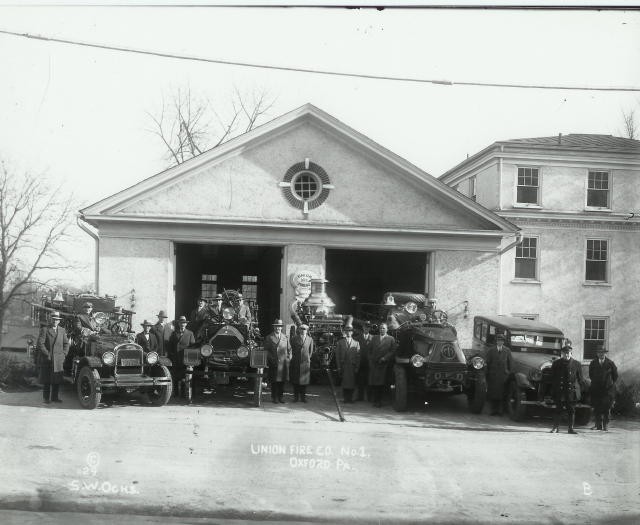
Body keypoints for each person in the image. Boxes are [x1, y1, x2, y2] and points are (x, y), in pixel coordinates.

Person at [550, 342, 585, 434]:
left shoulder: (576, 364)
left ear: (571, 353)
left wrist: (581, 392)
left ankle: (571, 429)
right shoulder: (556, 363)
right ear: (562, 354)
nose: (566, 354)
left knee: (571, 410)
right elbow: (552, 378)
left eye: (568, 353)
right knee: (558, 410)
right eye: (565, 353)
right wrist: (554, 390)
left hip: (571, 391)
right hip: (560, 391)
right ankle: (555, 428)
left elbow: (580, 379)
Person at [36, 311, 69, 404]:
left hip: (59, 359)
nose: (55, 321)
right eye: (54, 319)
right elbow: (40, 344)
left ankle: (55, 398)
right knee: (47, 380)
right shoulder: (45, 329)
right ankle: (46, 399)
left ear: (59, 321)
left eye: (57, 320)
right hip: (48, 359)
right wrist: (47, 354)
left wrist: (64, 354)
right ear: (51, 319)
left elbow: (66, 344)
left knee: (56, 380)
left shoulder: (62, 330)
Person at [589, 343, 618, 431]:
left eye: (603, 352)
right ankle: (598, 425)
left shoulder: (610, 363)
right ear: (597, 353)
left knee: (606, 408)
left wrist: (609, 383)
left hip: (607, 390)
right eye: (599, 352)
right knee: (597, 407)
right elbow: (591, 375)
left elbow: (615, 376)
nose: (601, 354)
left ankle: (605, 425)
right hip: (596, 389)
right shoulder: (593, 363)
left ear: (605, 353)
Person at [368, 322, 396, 407]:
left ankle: (380, 401)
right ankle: (375, 400)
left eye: (384, 328)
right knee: (374, 383)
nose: (382, 329)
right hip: (375, 364)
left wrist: (385, 358)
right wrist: (370, 359)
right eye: (380, 328)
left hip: (384, 364)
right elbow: (369, 350)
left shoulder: (391, 339)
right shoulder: (374, 338)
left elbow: (393, 350)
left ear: (387, 329)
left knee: (382, 383)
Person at [485, 333, 513, 416]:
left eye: (501, 341)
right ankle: (493, 410)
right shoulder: (491, 350)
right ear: (496, 342)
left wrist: (508, 373)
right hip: (493, 375)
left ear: (503, 342)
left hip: (503, 375)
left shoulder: (507, 350)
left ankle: (500, 411)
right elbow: (487, 362)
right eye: (498, 340)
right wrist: (488, 373)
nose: (500, 342)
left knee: (502, 393)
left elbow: (510, 363)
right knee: (493, 392)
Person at [264, 319, 291, 403]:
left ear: (281, 328)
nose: (278, 328)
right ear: (274, 327)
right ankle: (274, 398)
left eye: (279, 327)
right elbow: (266, 350)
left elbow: (289, 349)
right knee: (274, 382)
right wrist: (271, 359)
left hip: (283, 363)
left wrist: (288, 358)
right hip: (274, 363)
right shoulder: (269, 337)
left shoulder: (285, 337)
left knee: (282, 382)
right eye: (276, 326)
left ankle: (281, 397)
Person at [169, 316, 195, 393]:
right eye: (181, 323)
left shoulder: (190, 333)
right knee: (175, 376)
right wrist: (172, 354)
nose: (182, 324)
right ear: (178, 324)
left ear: (186, 324)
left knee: (185, 376)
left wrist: (190, 360)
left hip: (185, 358)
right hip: (176, 358)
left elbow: (193, 346)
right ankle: (176, 392)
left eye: (183, 323)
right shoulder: (174, 333)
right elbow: (170, 345)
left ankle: (184, 393)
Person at [335, 325, 360, 403]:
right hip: (344, 365)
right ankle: (345, 398)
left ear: (352, 333)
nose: (349, 332)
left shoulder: (356, 343)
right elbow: (337, 355)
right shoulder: (340, 342)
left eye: (350, 331)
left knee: (352, 383)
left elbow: (358, 356)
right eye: (347, 331)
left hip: (352, 366)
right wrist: (339, 367)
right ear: (345, 332)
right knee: (345, 382)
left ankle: (350, 398)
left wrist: (357, 367)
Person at [290, 324, 314, 403]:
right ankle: (296, 397)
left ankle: (303, 398)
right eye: (302, 329)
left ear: (307, 331)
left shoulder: (310, 339)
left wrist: (307, 359)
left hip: (305, 363)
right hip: (296, 362)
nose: (303, 331)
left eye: (305, 329)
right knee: (296, 381)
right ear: (299, 330)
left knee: (304, 382)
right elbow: (292, 350)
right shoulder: (294, 339)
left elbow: (310, 352)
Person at [355, 321, 373, 401]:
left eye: (368, 327)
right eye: (365, 327)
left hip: (369, 362)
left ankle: (369, 397)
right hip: (360, 362)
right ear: (363, 328)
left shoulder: (373, 338)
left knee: (369, 380)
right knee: (360, 380)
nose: (366, 328)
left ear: (370, 328)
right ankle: (360, 397)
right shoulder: (357, 338)